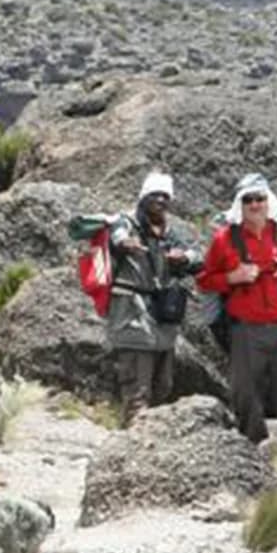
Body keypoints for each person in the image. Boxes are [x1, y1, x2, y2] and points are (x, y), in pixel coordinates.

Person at [195, 173, 277, 451]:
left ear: (268, 201)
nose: (254, 205)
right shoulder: (224, 238)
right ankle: (252, 449)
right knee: (245, 392)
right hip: (245, 328)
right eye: (248, 200)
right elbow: (204, 280)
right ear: (239, 204)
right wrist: (232, 277)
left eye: (259, 199)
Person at [104, 171, 197, 422]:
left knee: (163, 386)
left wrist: (184, 258)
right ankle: (132, 439)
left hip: (163, 321)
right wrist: (125, 244)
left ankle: (149, 440)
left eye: (165, 196)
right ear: (143, 196)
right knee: (138, 392)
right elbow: (117, 238)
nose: (160, 200)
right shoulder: (125, 222)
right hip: (132, 316)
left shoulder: (170, 231)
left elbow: (197, 256)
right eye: (155, 194)